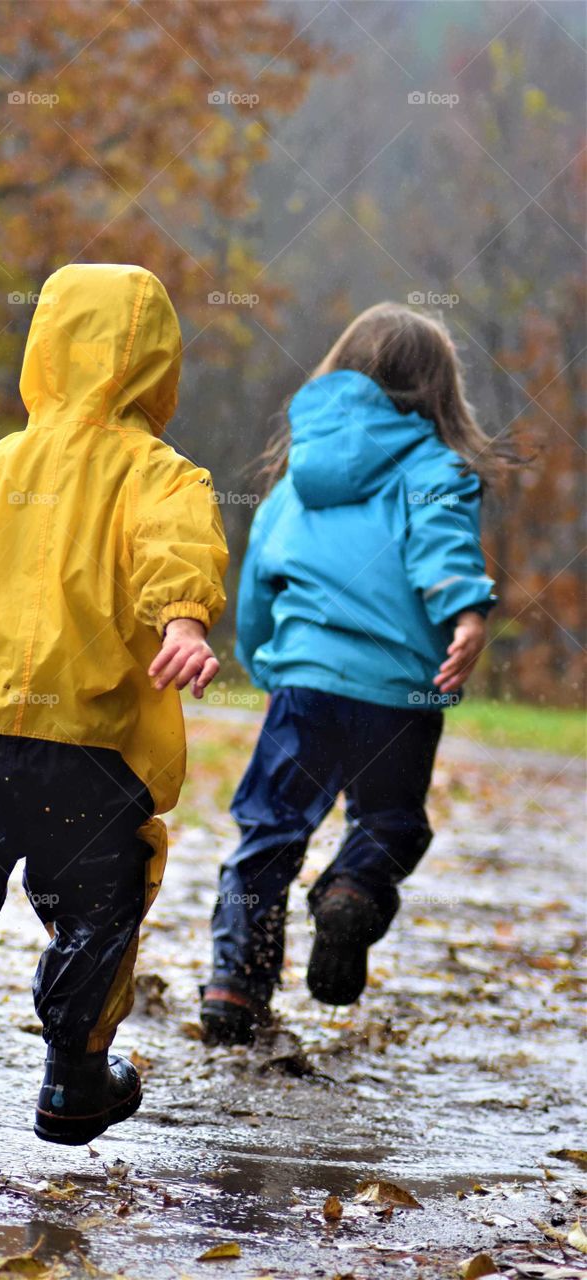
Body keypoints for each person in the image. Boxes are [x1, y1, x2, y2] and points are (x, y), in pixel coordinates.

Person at [0, 263, 228, 1158]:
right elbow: (171, 551)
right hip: (90, 753)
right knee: (97, 907)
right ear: (157, 369)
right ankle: (72, 1076)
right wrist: (181, 619)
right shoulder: (161, 475)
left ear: (44, 353)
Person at [201, 301, 509, 1045]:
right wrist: (467, 613)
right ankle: (350, 890)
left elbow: (259, 584)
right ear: (438, 392)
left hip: (305, 684)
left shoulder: (294, 482)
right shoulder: (436, 469)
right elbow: (440, 548)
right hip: (400, 691)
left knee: (269, 830)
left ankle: (236, 987)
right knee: (389, 821)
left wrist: (262, 659)